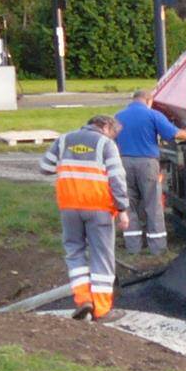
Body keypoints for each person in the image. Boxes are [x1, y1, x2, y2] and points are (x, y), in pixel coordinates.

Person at [40, 115, 130, 321]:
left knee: (74, 252)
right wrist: (122, 208)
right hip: (99, 207)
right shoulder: (106, 145)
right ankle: (102, 310)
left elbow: (45, 167)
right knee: (102, 256)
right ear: (105, 126)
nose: (113, 137)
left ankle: (83, 301)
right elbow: (117, 178)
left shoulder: (64, 140)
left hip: (69, 207)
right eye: (113, 133)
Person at [115, 90, 186, 255]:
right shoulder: (152, 115)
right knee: (152, 204)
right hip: (147, 163)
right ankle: (157, 247)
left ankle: (133, 247)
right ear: (148, 100)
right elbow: (174, 134)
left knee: (129, 204)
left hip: (123, 163)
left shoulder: (119, 116)